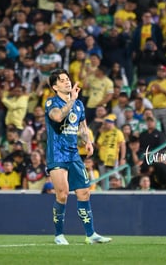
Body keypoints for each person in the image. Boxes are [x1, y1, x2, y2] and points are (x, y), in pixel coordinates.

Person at [45, 69, 111, 245]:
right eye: (62, 80)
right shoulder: (51, 102)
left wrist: (87, 141)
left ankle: (91, 235)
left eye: (68, 79)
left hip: (74, 153)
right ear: (54, 86)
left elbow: (82, 125)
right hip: (57, 153)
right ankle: (59, 235)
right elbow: (58, 117)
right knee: (63, 194)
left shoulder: (79, 105)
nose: (67, 82)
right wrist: (72, 100)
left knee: (84, 192)